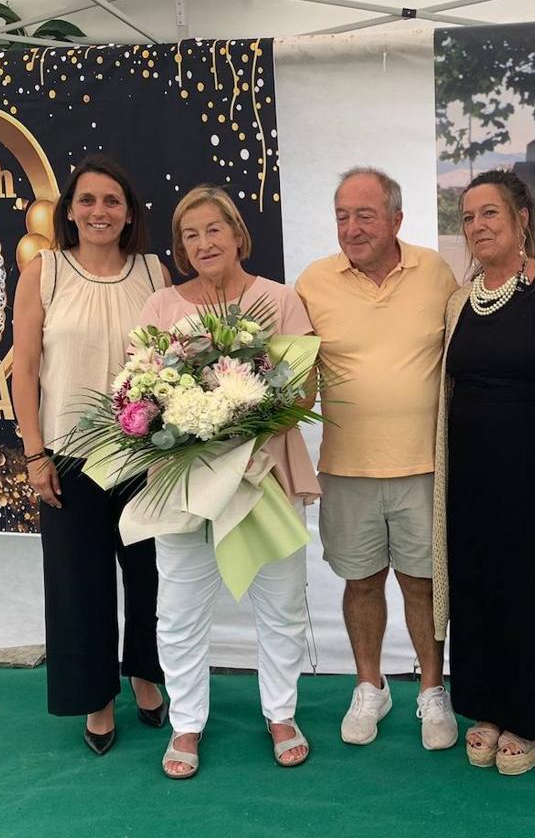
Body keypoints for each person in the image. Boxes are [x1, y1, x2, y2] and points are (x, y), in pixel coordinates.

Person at [139, 185, 320, 779]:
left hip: (262, 478)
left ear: (239, 235)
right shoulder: (162, 307)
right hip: (185, 483)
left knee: (282, 602)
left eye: (214, 230)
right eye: (190, 236)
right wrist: (193, 423)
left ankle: (282, 714)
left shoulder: (280, 300)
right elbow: (140, 390)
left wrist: (240, 423)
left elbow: (301, 393)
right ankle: (186, 724)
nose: (203, 244)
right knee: (181, 608)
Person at [295, 168, 459, 751]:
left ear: (396, 219)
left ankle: (432, 691)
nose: (352, 227)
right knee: (361, 583)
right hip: (347, 468)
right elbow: (298, 382)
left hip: (425, 468)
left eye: (365, 214)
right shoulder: (313, 282)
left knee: (423, 583)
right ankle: (371, 686)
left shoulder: (436, 273)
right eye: (342, 215)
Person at [12, 155, 171, 756]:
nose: (99, 211)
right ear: (69, 211)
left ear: (129, 213)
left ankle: (145, 676)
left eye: (112, 201)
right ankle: (98, 699)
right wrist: (34, 454)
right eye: (87, 201)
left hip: (149, 455)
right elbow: (24, 369)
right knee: (80, 584)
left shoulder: (156, 274)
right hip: (68, 457)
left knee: (152, 578)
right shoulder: (45, 272)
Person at [430, 169, 535, 776]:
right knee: (478, 587)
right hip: (469, 478)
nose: (477, 227)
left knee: (532, 591)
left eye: (489, 213)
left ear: (522, 218)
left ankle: (532, 716)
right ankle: (487, 708)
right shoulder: (456, 301)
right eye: (467, 217)